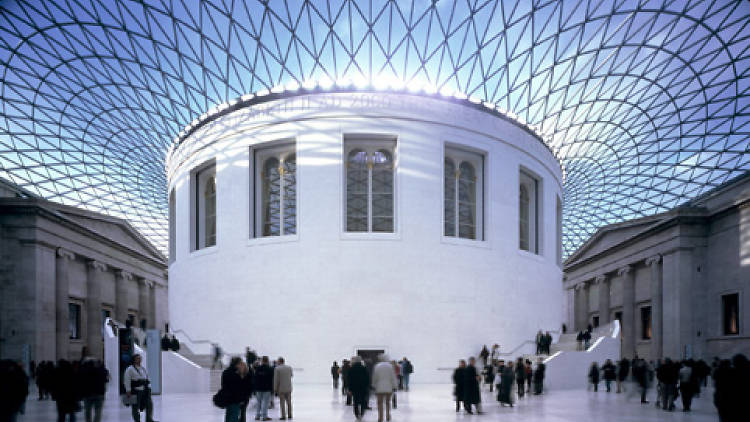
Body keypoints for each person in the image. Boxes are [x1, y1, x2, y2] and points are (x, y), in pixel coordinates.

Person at [124, 354, 157, 422]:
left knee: (149, 405)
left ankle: (149, 419)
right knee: (136, 407)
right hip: (136, 391)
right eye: (137, 358)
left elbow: (146, 378)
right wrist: (128, 390)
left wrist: (148, 386)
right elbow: (127, 380)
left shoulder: (142, 368)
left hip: (145, 390)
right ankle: (137, 420)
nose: (139, 360)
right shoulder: (130, 369)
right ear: (134, 360)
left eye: (140, 358)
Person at [371, 354, 398, 422]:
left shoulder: (377, 366)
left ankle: (380, 417)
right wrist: (395, 386)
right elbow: (393, 377)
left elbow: (375, 377)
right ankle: (388, 415)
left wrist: (373, 385)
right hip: (388, 387)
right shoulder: (390, 366)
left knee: (380, 403)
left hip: (379, 387)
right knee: (388, 402)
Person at [221, 357, 246, 422]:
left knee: (228, 416)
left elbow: (223, 386)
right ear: (237, 364)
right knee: (234, 416)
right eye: (240, 363)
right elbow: (238, 388)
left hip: (227, 398)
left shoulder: (225, 372)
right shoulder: (237, 373)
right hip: (235, 400)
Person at [253, 356, 273, 421]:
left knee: (258, 402)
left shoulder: (258, 369)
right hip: (267, 388)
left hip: (258, 388)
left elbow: (255, 379)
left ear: (262, 361)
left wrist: (254, 388)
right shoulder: (270, 369)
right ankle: (264, 416)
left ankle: (257, 416)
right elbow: (272, 380)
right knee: (265, 403)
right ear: (267, 361)